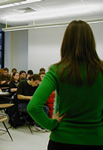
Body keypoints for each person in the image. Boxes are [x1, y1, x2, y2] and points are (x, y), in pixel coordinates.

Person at [27, 20, 103, 150]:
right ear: (91, 42)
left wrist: (51, 124)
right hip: (96, 139)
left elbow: (33, 107)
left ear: (66, 43)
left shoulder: (56, 70)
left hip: (62, 140)